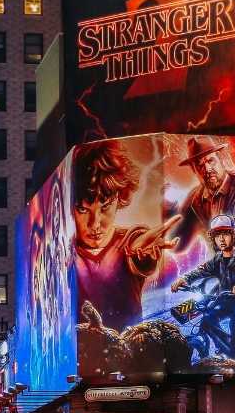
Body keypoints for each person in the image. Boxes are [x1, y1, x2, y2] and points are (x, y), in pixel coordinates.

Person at [72, 139, 180, 331]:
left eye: (105, 207)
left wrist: (142, 255)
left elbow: (138, 247)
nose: (95, 224)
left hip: (131, 346)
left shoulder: (130, 242)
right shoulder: (62, 254)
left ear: (119, 198)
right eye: (83, 209)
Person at [171, 214, 235, 364]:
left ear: (233, 235)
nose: (221, 239)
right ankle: (226, 346)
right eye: (217, 235)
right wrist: (184, 279)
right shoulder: (217, 259)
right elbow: (200, 271)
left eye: (225, 234)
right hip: (225, 300)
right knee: (208, 317)